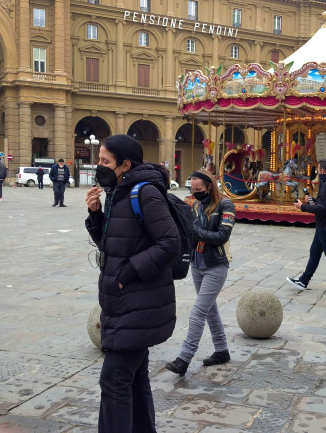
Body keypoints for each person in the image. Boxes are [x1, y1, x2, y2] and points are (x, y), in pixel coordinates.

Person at [84, 134, 179, 433]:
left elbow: (170, 243)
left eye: (104, 161)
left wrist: (126, 275)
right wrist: (95, 215)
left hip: (138, 302)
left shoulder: (144, 193)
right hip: (126, 303)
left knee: (114, 380)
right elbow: (114, 246)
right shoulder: (119, 193)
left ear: (125, 164)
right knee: (134, 378)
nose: (98, 165)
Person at [166, 168, 236, 375]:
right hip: (197, 264)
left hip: (216, 265)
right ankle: (222, 350)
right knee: (209, 309)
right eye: (193, 189)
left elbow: (222, 236)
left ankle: (184, 359)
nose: (195, 193)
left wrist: (195, 232)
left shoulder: (225, 205)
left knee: (198, 312)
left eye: (199, 189)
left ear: (209, 187)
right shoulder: (196, 205)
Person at [286, 159, 326, 296]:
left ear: (322, 171)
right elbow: (323, 204)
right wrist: (312, 201)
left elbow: (321, 208)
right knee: (314, 252)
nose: (317, 172)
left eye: (318, 170)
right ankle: (304, 280)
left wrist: (301, 207)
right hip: (324, 225)